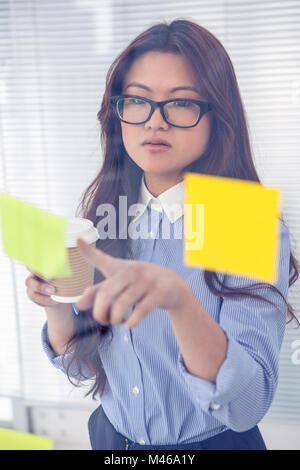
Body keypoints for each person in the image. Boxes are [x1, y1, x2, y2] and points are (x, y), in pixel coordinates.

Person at [25, 19, 299, 450]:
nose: (154, 122)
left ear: (216, 118)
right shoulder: (105, 214)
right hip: (112, 437)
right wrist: (55, 304)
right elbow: (84, 370)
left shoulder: (240, 222)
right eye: (137, 101)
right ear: (117, 113)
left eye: (181, 104)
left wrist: (180, 301)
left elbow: (244, 409)